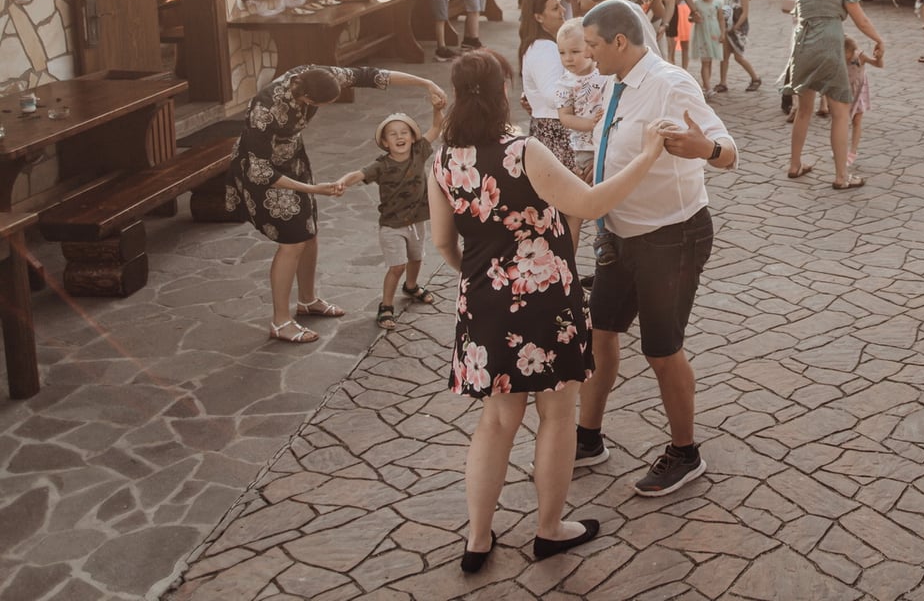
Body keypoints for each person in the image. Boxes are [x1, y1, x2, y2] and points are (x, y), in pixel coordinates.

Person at [429, 48, 664, 571]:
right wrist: (648, 156)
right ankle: (549, 530)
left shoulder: (442, 161)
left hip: (483, 301)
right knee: (556, 416)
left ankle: (478, 538)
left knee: (496, 421)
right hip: (546, 300)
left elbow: (444, 242)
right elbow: (591, 204)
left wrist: (484, 280)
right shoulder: (524, 151)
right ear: (504, 91)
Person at [575, 0, 738, 497]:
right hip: (620, 235)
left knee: (661, 350)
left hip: (672, 237)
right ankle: (587, 438)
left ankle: (685, 453)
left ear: (620, 42)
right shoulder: (616, 81)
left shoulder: (671, 85)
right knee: (601, 332)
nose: (588, 54)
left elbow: (728, 152)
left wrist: (704, 149)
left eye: (593, 45)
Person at [227, 65, 445, 343]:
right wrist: (313, 189)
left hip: (293, 162)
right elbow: (260, 170)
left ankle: (307, 301)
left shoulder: (320, 75)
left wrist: (425, 82)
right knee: (292, 242)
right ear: (307, 98)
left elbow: (371, 75)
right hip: (263, 174)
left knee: (309, 232)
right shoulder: (265, 109)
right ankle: (280, 321)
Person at [781, 0, 885, 187]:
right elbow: (861, 20)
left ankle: (794, 165)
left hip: (802, 48)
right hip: (828, 47)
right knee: (840, 113)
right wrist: (879, 40)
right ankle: (841, 177)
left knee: (804, 110)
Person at [336, 104, 445, 332]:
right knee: (397, 266)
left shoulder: (419, 152)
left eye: (404, 132)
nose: (399, 137)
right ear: (385, 142)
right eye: (393, 134)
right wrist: (343, 182)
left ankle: (411, 287)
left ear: (412, 138)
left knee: (417, 258)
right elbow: (359, 174)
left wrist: (437, 108)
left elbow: (436, 127)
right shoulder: (381, 165)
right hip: (392, 226)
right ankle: (386, 306)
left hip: (416, 221)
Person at [553, 18, 611, 247]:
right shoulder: (564, 84)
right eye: (562, 53)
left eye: (575, 51)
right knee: (584, 203)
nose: (568, 58)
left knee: (611, 197)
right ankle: (578, 252)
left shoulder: (604, 73)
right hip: (585, 149)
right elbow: (565, 117)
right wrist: (590, 124)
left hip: (609, 143)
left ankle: (608, 235)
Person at [519, 0, 570, 163]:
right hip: (554, 130)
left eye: (560, 4)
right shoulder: (545, 49)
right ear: (538, 17)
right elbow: (552, 96)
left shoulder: (543, 46)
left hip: (548, 127)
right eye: (555, 8)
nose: (563, 10)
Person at [718, 0, 761, 93]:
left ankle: (755, 78)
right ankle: (723, 82)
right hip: (727, 25)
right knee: (724, 55)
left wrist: (736, 26)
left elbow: (745, 13)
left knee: (738, 56)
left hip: (739, 27)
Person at [843, 34, 881, 169]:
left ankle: (852, 152)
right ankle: (840, 149)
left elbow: (878, 64)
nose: (846, 58)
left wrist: (879, 57)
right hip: (845, 92)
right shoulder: (838, 58)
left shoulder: (859, 56)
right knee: (842, 122)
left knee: (857, 120)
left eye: (846, 55)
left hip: (859, 92)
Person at [687, 0, 725, 97]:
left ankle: (706, 84)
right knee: (705, 62)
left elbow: (721, 19)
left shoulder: (718, 3)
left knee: (710, 61)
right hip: (702, 34)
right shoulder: (696, 4)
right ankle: (708, 88)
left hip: (713, 33)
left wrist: (723, 33)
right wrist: (694, 18)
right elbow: (690, 18)